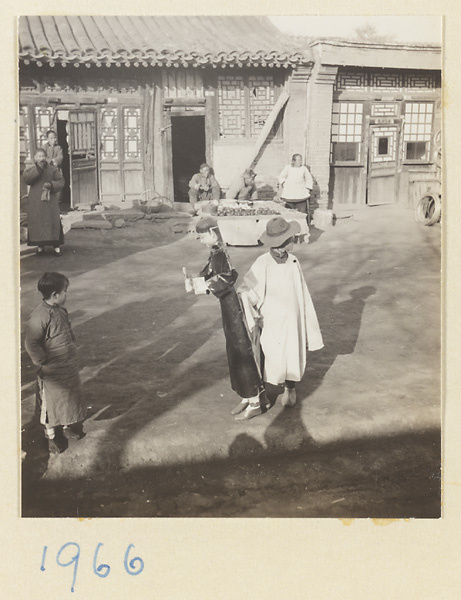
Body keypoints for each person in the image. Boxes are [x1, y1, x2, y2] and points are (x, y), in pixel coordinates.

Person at [239, 216, 324, 407]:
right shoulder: (263, 263)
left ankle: (290, 387)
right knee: (271, 351)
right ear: (279, 244)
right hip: (272, 317)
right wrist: (245, 296)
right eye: (289, 239)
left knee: (291, 350)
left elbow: (301, 290)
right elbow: (249, 287)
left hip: (291, 316)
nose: (292, 242)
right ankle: (265, 389)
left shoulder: (293, 262)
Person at [190, 216, 264, 421]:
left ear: (213, 233)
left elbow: (228, 276)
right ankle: (246, 394)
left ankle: (255, 399)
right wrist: (197, 282)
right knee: (233, 348)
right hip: (226, 304)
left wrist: (205, 286)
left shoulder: (221, 252)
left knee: (241, 347)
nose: (202, 240)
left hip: (233, 305)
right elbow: (210, 272)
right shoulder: (215, 252)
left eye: (203, 236)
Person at [25, 272, 87, 454]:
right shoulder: (40, 316)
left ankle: (67, 427)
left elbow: (67, 330)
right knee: (50, 402)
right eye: (65, 291)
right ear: (54, 295)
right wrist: (42, 361)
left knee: (68, 398)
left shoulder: (61, 311)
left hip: (67, 366)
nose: (67, 294)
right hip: (51, 369)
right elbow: (31, 343)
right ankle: (51, 436)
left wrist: (72, 346)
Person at [22, 148, 65, 255]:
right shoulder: (30, 169)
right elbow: (27, 180)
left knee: (52, 221)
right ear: (35, 158)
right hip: (36, 201)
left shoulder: (52, 169)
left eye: (43, 156)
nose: (41, 158)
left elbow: (61, 181)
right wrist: (38, 170)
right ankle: (40, 246)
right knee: (38, 222)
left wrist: (51, 185)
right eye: (39, 156)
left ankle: (56, 247)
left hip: (50, 201)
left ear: (46, 157)